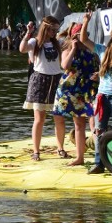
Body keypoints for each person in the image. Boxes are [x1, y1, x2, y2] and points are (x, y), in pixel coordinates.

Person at [80, 15, 112, 174]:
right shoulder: (102, 51)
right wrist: (86, 22)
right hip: (102, 96)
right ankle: (99, 163)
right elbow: (84, 39)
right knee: (99, 129)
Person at [19, 16, 66, 161]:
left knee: (59, 118)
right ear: (46, 28)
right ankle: (36, 151)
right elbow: (22, 49)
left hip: (56, 80)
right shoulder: (35, 42)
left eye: (56, 30)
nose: (54, 32)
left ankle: (61, 149)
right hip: (40, 80)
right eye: (52, 29)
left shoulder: (58, 43)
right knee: (39, 119)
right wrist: (28, 33)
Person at [53, 23, 100, 166]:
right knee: (78, 123)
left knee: (93, 120)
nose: (85, 37)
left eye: (86, 34)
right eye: (81, 34)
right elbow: (65, 66)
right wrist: (73, 48)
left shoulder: (91, 49)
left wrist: (99, 74)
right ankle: (80, 157)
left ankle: (99, 154)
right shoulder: (68, 48)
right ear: (74, 35)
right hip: (71, 90)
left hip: (88, 88)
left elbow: (100, 65)